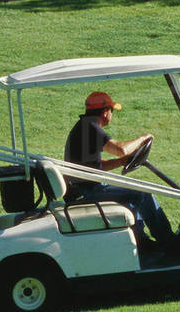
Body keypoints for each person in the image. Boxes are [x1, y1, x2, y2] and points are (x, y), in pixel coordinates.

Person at [63, 90, 174, 246]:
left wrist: (121, 162)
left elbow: (94, 166)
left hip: (85, 187)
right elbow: (120, 148)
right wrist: (143, 138)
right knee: (143, 194)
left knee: (132, 195)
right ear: (105, 112)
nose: (112, 114)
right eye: (112, 110)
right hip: (87, 191)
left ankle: (141, 241)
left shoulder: (84, 127)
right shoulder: (90, 127)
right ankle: (168, 241)